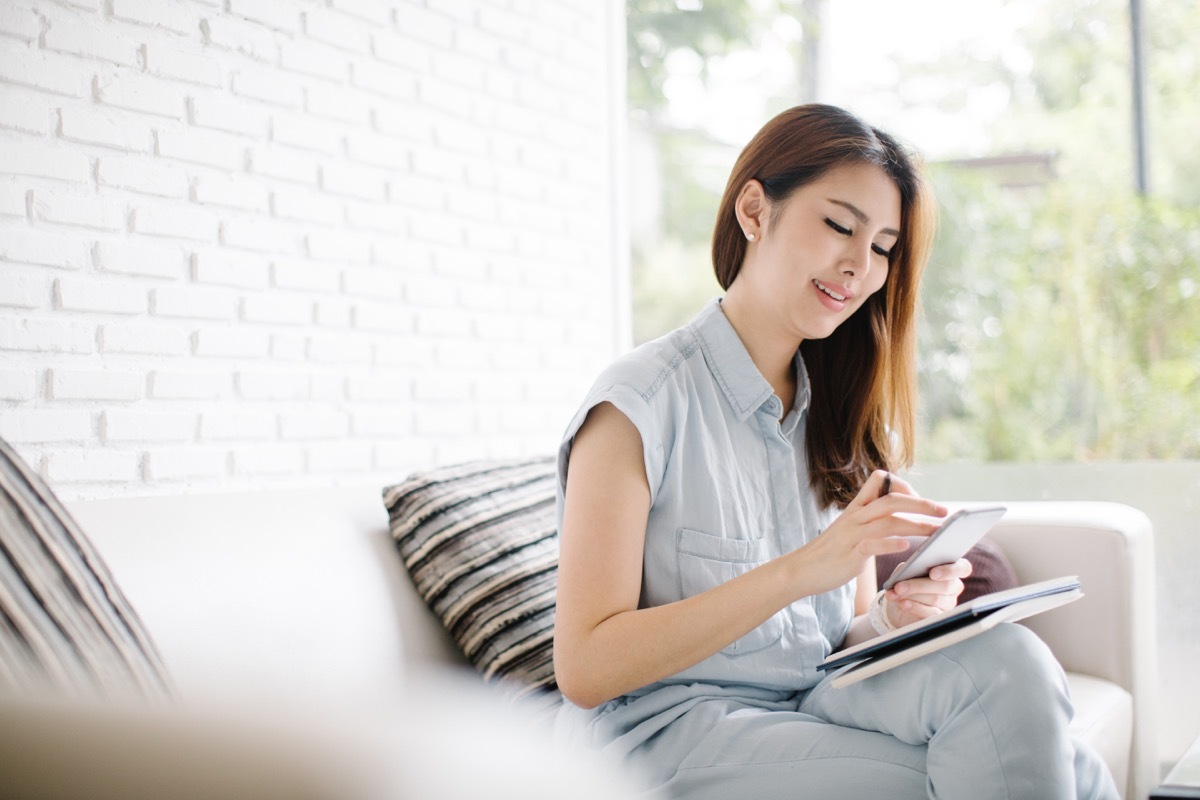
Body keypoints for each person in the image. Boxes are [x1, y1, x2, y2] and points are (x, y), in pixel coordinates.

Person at [551, 104, 1118, 799]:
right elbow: (584, 666)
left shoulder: (834, 410)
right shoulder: (638, 402)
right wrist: (802, 570)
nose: (860, 266)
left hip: (810, 701)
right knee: (993, 767)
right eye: (841, 227)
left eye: (883, 246)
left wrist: (890, 617)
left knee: (1017, 673)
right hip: (666, 731)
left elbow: (834, 638)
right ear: (755, 211)